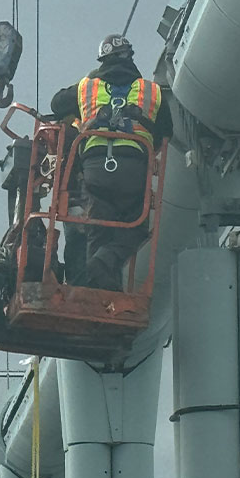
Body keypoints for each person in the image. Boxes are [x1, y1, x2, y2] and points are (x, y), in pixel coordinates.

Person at [49, 34, 172, 290]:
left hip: (95, 169)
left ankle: (93, 291)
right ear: (130, 57)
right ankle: (103, 269)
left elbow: (57, 103)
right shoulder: (151, 91)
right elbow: (165, 133)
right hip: (134, 168)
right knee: (136, 229)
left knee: (98, 229)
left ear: (102, 60)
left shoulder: (87, 87)